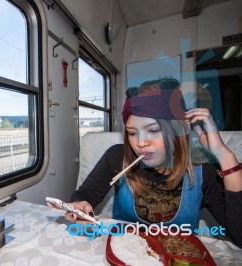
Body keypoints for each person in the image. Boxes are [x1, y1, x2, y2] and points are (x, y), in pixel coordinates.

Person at [53, 78, 242, 248]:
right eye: (133, 133)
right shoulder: (117, 158)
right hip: (123, 250)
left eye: (152, 130)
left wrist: (225, 156)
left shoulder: (203, 170)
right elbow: (85, 194)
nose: (141, 142)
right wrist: (79, 205)